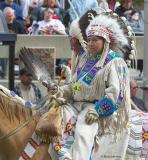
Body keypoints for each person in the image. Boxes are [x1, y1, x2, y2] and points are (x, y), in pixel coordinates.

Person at [48, 11, 133, 160]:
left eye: (95, 40)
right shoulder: (86, 59)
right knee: (52, 118)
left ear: (105, 41)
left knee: (83, 133)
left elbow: (116, 95)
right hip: (75, 104)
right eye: (89, 40)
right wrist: (60, 91)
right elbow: (75, 86)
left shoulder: (114, 62)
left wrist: (98, 110)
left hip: (93, 108)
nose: (91, 43)